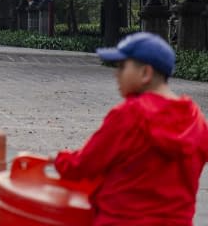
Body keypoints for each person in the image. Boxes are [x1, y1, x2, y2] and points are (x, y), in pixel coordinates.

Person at [53, 32, 208, 225]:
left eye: (122, 66)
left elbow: (84, 164)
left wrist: (60, 160)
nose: (116, 74)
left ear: (145, 73)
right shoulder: (197, 123)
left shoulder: (129, 115)